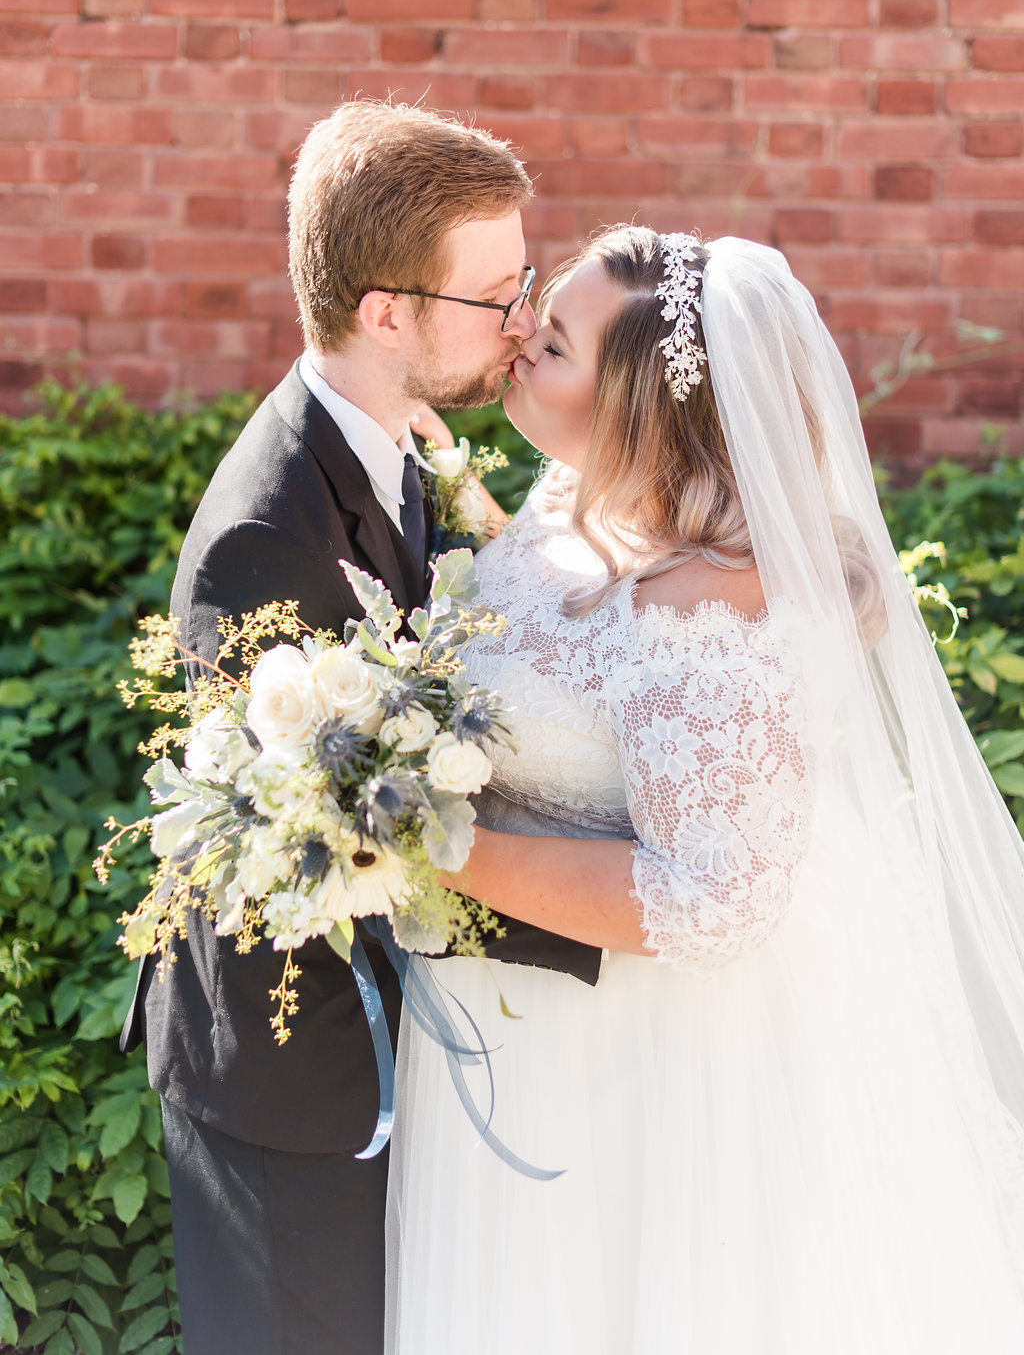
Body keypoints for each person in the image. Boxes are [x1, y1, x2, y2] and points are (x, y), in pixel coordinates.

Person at [385, 225, 1024, 1354]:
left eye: (559, 342)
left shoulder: (704, 599)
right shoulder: (582, 500)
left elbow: (717, 895)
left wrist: (427, 847)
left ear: (637, 411)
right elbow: (570, 662)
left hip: (652, 1067)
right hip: (543, 1032)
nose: (522, 334)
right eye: (540, 306)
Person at [119, 99, 602, 1355]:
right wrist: (633, 923)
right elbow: (362, 841)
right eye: (495, 295)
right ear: (386, 312)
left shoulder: (408, 442)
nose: (522, 323)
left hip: (402, 1051)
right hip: (296, 1076)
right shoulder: (265, 537)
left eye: (527, 283)